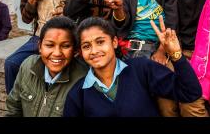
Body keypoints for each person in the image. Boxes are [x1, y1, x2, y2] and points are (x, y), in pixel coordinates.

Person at [96, 0, 181, 116]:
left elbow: (172, 19)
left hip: (158, 46)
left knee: (166, 101)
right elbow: (121, 23)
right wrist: (118, 8)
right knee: (127, 98)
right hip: (129, 49)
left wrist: (162, 50)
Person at [63, 16, 202, 117]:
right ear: (81, 52)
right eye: (86, 46)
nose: (94, 51)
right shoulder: (78, 94)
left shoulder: (141, 69)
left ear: (115, 42)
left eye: (100, 42)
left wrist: (176, 55)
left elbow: (190, 92)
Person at [4, 0, 80, 94]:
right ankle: (15, 104)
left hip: (68, 36)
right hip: (40, 37)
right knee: (11, 63)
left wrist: (68, 7)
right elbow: (26, 19)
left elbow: (83, 4)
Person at [6, 16, 88, 116]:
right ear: (40, 46)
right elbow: (13, 108)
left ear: (75, 50)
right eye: (49, 45)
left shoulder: (83, 81)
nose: (57, 53)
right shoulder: (28, 65)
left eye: (65, 46)